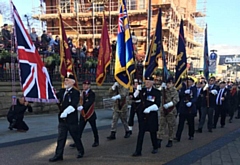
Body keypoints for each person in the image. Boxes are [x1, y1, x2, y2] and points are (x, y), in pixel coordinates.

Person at [49, 73, 84, 162]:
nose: (65, 81)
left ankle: (80, 151)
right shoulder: (62, 91)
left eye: (67, 80)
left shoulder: (75, 92)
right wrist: (51, 91)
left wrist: (65, 112)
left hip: (71, 120)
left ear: (72, 82)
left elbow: (73, 105)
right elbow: (55, 97)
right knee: (61, 138)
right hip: (62, 120)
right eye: (65, 80)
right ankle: (58, 155)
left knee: (75, 137)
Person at [132, 76, 161, 156]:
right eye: (146, 81)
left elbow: (157, 104)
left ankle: (155, 147)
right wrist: (137, 90)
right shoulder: (143, 91)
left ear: (152, 82)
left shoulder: (156, 92)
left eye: (148, 81)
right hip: (143, 116)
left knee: (153, 133)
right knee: (141, 133)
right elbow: (134, 97)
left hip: (151, 116)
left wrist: (149, 109)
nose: (147, 83)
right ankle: (138, 151)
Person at [69, 80, 99, 148]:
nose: (85, 86)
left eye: (86, 85)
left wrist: (83, 106)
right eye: (84, 85)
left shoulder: (92, 93)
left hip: (90, 113)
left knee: (94, 128)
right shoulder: (81, 93)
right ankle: (77, 142)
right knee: (80, 129)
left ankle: (96, 141)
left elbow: (90, 102)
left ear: (89, 86)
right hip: (83, 114)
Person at [157, 77, 179, 148]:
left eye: (170, 83)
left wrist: (169, 104)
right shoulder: (164, 90)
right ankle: (159, 140)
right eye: (167, 83)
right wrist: (161, 87)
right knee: (161, 126)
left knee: (171, 126)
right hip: (163, 111)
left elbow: (176, 100)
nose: (168, 85)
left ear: (173, 84)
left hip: (171, 111)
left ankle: (170, 140)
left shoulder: (174, 91)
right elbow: (157, 93)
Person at [174, 77, 197, 141]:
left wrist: (191, 102)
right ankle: (178, 136)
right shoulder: (183, 88)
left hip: (190, 109)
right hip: (183, 108)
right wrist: (184, 93)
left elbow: (195, 97)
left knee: (191, 123)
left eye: (189, 82)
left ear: (192, 83)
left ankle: (191, 135)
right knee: (180, 123)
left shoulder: (194, 89)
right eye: (187, 82)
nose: (188, 83)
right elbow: (179, 94)